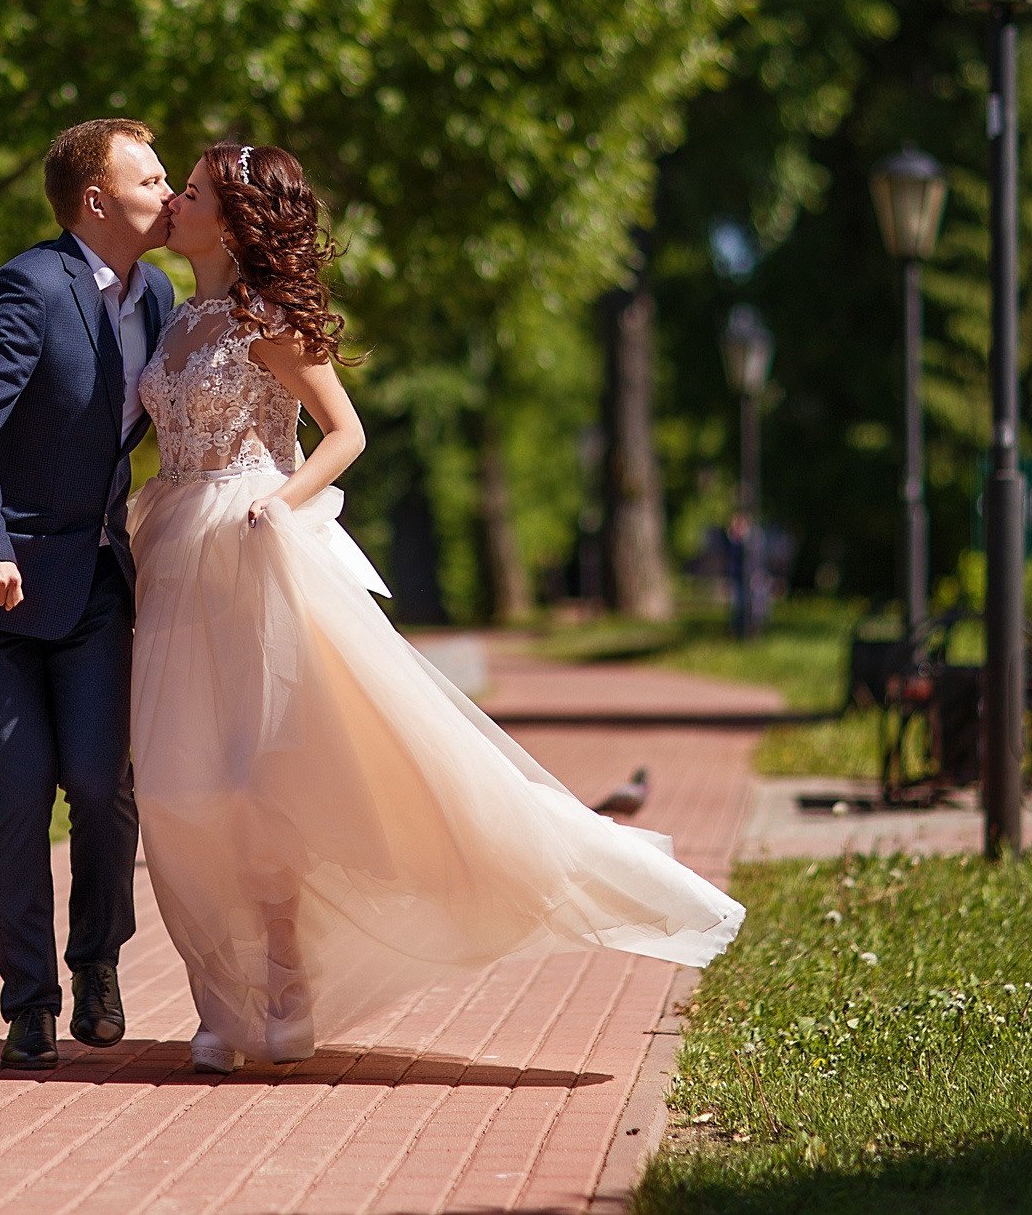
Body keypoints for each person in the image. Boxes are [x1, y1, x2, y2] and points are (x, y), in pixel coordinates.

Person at [129, 142, 745, 1073]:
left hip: (256, 549)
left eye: (198, 191)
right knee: (180, 787)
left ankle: (281, 991)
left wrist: (279, 502)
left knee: (261, 781)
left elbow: (345, 432)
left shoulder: (266, 322)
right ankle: (220, 994)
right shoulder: (173, 320)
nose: (178, 198)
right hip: (176, 550)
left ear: (238, 220)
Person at [0, 118, 177, 1070]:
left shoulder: (161, 298)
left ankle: (98, 959)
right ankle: (28, 1000)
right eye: (154, 176)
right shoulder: (27, 287)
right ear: (98, 200)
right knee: (21, 793)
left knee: (104, 785)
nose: (171, 188)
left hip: (93, 578)